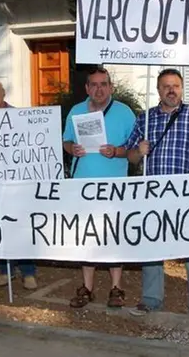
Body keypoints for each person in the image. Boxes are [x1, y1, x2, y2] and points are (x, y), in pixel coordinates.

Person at [125, 68, 189, 320]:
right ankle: (150, 299)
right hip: (154, 194)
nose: (171, 90)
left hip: (188, 195)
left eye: (176, 86)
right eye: (166, 86)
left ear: (182, 89)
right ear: (158, 90)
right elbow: (130, 155)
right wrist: (139, 150)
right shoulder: (145, 119)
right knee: (152, 246)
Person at [62, 66, 136, 308]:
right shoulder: (76, 111)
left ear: (111, 87)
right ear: (87, 88)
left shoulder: (125, 113)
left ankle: (116, 287)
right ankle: (87, 287)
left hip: (114, 187)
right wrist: (71, 148)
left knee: (113, 236)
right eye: (93, 84)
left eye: (103, 84)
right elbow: (66, 140)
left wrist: (117, 152)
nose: (99, 89)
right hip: (82, 185)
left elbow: (135, 152)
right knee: (85, 236)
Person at [0, 78, 37, 289]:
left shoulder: (18, 117)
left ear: (3, 93)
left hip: (17, 183)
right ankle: (5, 270)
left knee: (21, 226)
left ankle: (28, 272)